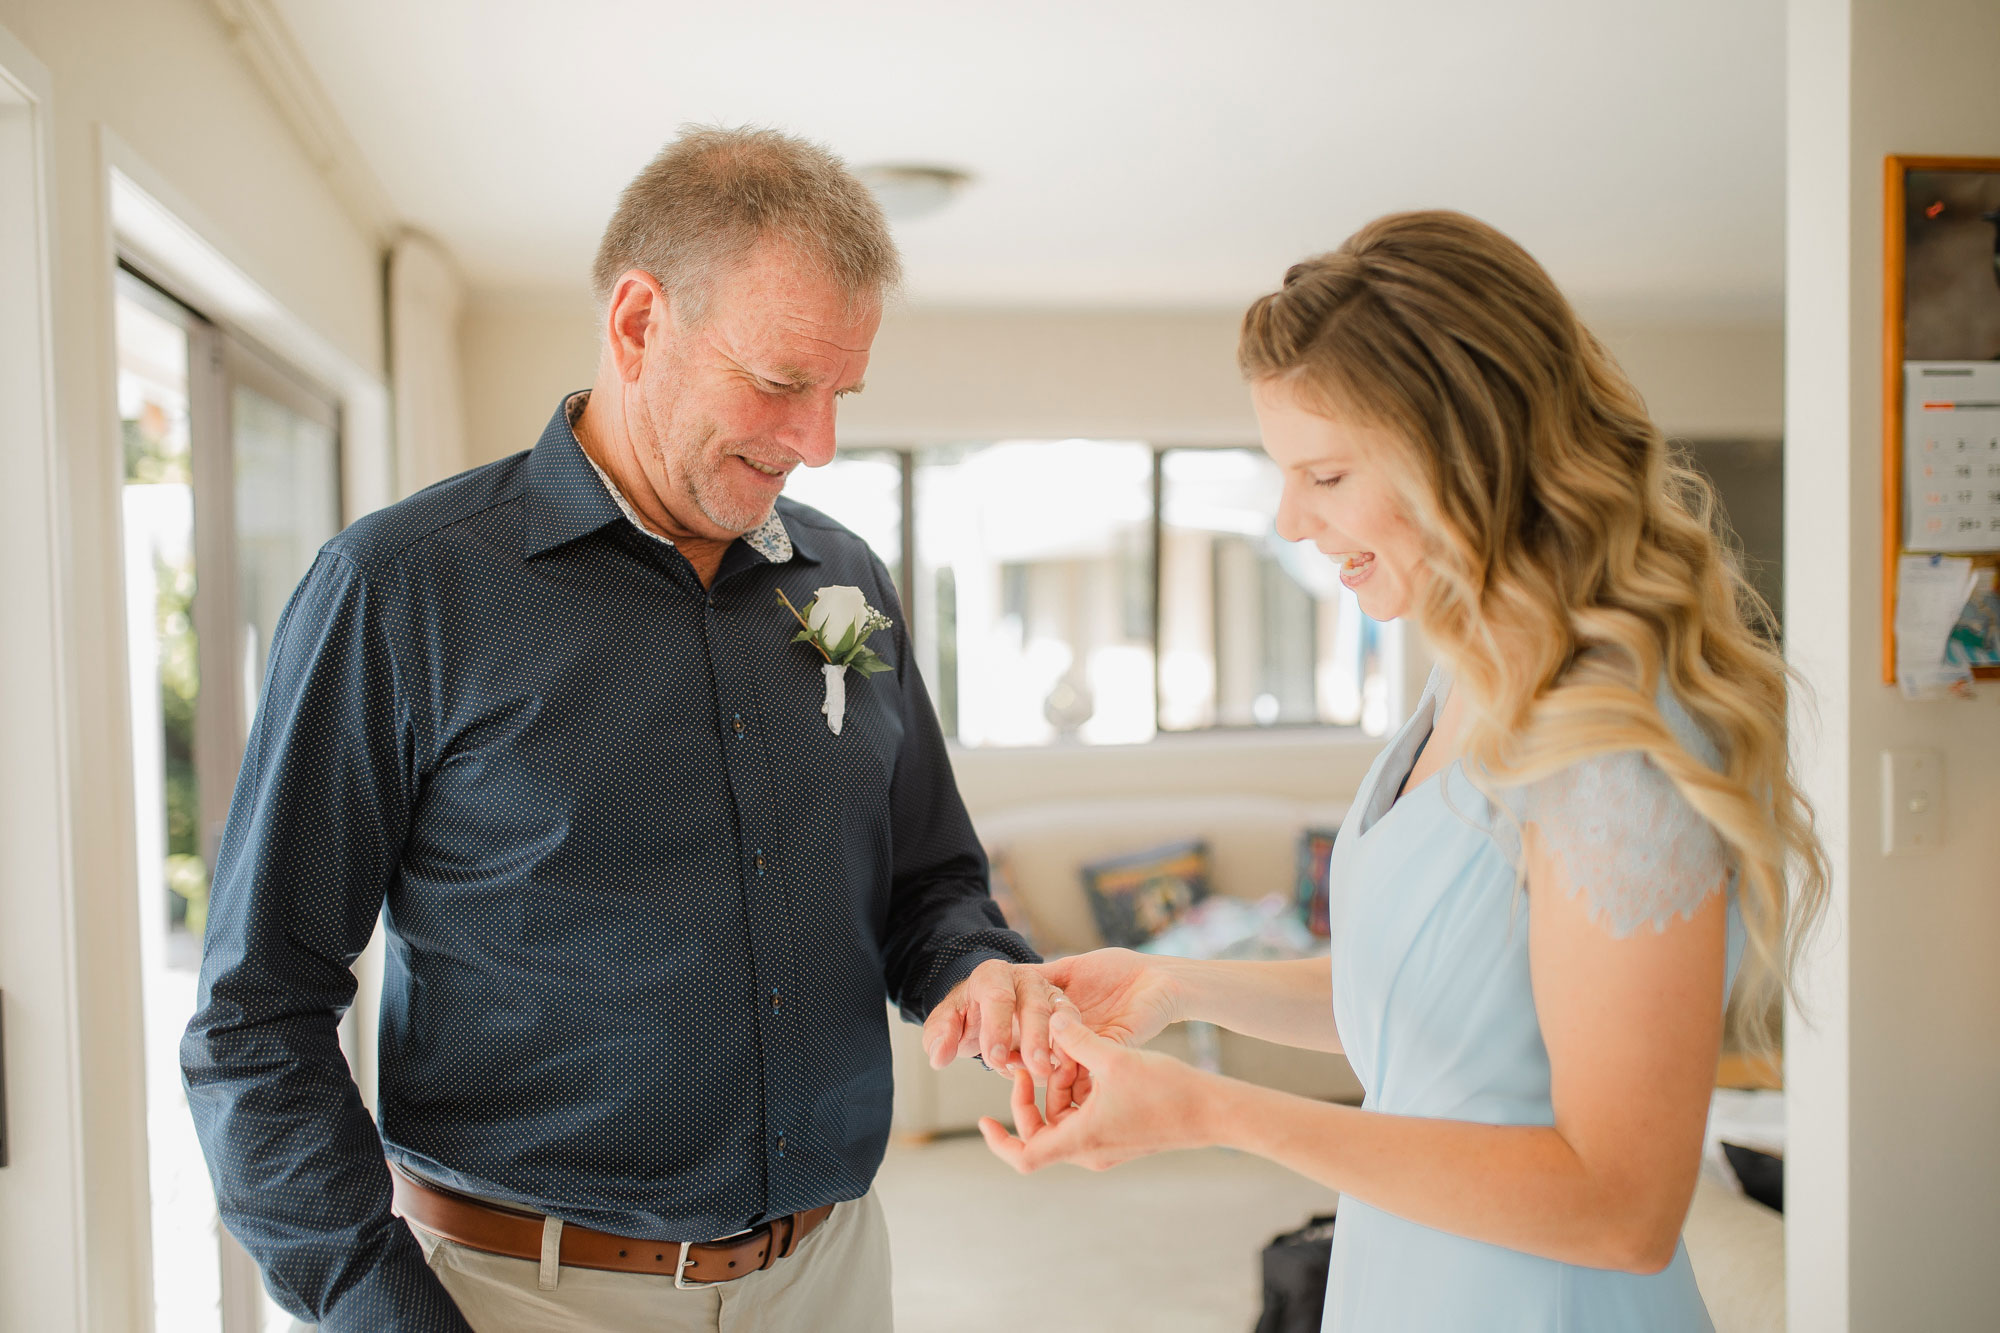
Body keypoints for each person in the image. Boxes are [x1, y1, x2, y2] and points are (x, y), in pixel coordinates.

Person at [181, 126, 1068, 1333]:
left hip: (834, 1275)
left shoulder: (842, 580)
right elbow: (256, 1012)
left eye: (839, 394)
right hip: (520, 1294)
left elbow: (926, 877)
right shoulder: (400, 589)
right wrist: (370, 1302)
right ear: (640, 320)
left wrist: (976, 968)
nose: (818, 441)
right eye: (776, 383)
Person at [968, 210, 1829, 1331]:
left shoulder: (1610, 747)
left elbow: (1622, 1206)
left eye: (1322, 472)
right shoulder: (1455, 684)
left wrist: (1219, 1112)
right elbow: (1433, 1006)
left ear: (1466, 456)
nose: (1288, 519)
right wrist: (1174, 987)